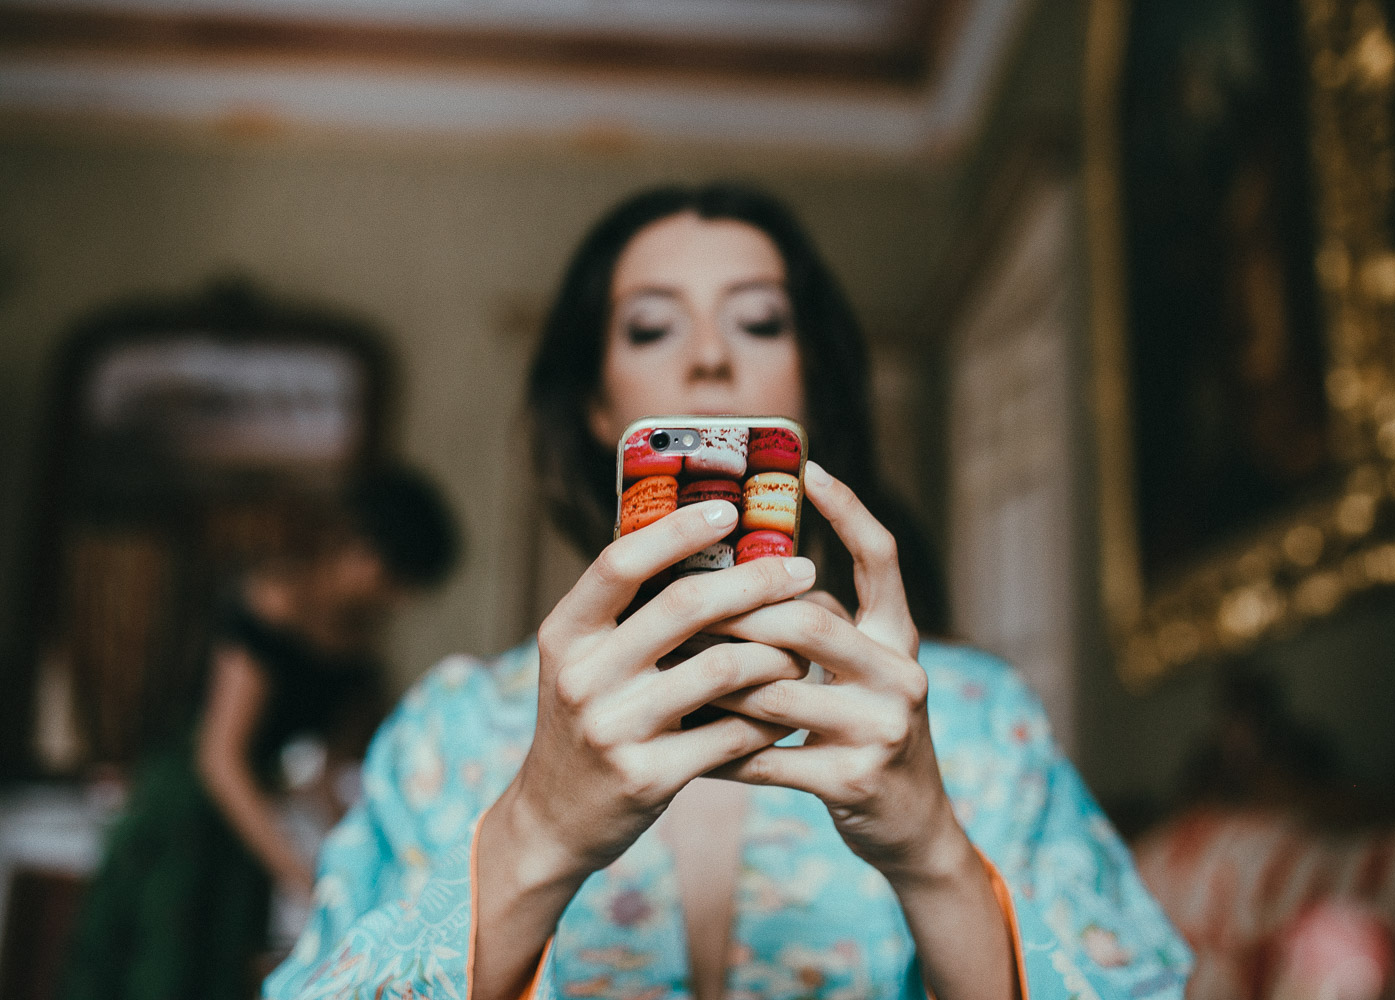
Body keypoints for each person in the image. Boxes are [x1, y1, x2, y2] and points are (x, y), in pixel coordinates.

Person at [265, 184, 1193, 1000]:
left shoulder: (983, 719)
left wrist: (937, 857)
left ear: (811, 389)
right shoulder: (447, 733)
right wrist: (535, 832)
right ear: (598, 407)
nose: (709, 357)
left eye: (758, 321)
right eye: (651, 327)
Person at [63, 465, 460, 1000]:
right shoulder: (272, 603)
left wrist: (369, 864)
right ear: (368, 553)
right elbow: (220, 757)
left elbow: (326, 778)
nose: (400, 601)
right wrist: (299, 873)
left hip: (247, 819)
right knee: (159, 967)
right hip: (188, 803)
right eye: (400, 582)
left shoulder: (357, 650)